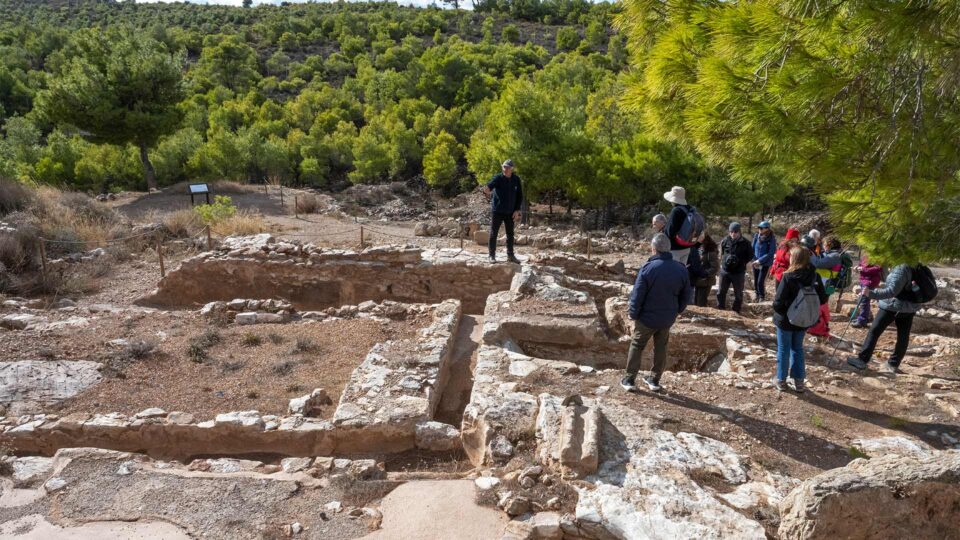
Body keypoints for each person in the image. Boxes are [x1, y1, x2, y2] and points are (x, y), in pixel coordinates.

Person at [621, 233, 690, 393]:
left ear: (654, 249)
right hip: (667, 318)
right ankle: (654, 380)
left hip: (646, 318)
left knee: (637, 345)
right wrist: (677, 310)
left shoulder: (648, 268)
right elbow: (686, 295)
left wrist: (633, 313)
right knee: (661, 347)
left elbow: (637, 295)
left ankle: (629, 379)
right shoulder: (680, 269)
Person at [847, 263, 923, 374]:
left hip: (893, 306)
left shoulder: (901, 268)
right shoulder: (916, 265)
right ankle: (893, 364)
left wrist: (871, 293)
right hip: (910, 307)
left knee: (874, 331)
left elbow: (891, 291)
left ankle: (862, 360)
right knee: (903, 335)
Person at [772, 247, 828, 392]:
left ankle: (781, 380)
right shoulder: (815, 276)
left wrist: (784, 313)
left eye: (790, 256)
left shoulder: (788, 276)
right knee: (797, 348)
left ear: (794, 258)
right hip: (804, 319)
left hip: (785, 320)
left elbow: (778, 302)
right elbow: (823, 299)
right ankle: (799, 382)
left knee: (784, 349)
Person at [483, 159, 523, 264]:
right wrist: (487, 190)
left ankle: (510, 255)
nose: (506, 169)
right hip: (498, 211)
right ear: (502, 167)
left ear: (512, 169)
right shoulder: (498, 178)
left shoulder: (516, 179)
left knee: (510, 234)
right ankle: (491, 255)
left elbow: (519, 195)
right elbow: (489, 187)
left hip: (510, 212)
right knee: (493, 233)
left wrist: (517, 210)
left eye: (508, 167)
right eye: (504, 167)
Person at [807, 236, 845, 340]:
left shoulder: (834, 256)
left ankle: (820, 326)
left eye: (824, 244)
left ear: (829, 245)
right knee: (821, 304)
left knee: (822, 304)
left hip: (827, 283)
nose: (823, 247)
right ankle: (817, 325)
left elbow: (818, 264)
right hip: (825, 282)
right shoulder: (832, 254)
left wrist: (811, 255)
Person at [717, 222, 754, 313]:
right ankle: (720, 309)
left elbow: (750, 256)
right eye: (731, 231)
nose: (733, 233)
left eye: (735, 231)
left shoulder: (746, 243)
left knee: (738, 294)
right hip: (725, 271)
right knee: (721, 292)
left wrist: (741, 263)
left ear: (739, 232)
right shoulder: (725, 240)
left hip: (738, 272)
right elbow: (721, 253)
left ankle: (736, 311)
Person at [663, 186, 695, 264]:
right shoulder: (690, 209)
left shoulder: (676, 210)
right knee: (681, 270)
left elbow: (670, 232)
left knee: (673, 272)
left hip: (675, 248)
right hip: (686, 246)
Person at [852, 256, 883, 328]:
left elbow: (878, 268)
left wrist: (863, 269)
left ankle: (862, 321)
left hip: (870, 281)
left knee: (864, 300)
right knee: (864, 300)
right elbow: (861, 265)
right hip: (864, 280)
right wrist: (857, 268)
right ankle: (864, 318)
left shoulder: (877, 255)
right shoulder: (865, 254)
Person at [751, 221, 777, 301]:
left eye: (761, 228)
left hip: (764, 263)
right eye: (759, 228)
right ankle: (756, 294)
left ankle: (762, 296)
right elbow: (752, 248)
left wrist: (759, 261)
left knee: (760, 281)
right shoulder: (756, 236)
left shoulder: (772, 239)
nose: (759, 229)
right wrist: (753, 259)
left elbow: (770, 253)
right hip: (755, 262)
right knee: (755, 280)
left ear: (767, 229)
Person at [694, 233, 719, 307]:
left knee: (701, 303)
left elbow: (715, 267)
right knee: (696, 302)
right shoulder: (699, 249)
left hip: (706, 281)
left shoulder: (711, 252)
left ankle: (702, 317)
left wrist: (705, 273)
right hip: (698, 280)